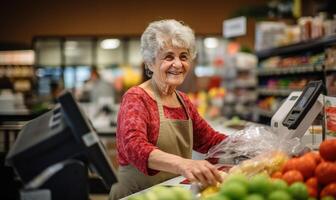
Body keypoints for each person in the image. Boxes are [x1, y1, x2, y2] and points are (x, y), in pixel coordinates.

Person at [109, 19, 227, 199]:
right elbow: (134, 147)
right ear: (150, 63)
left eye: (184, 56)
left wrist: (250, 146)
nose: (178, 64)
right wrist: (183, 164)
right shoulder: (136, 98)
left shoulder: (183, 101)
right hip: (136, 195)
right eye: (169, 57)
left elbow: (210, 141)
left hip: (170, 194)